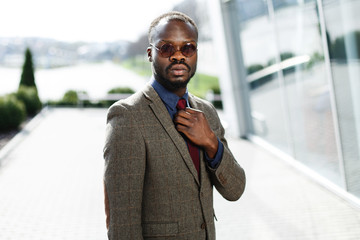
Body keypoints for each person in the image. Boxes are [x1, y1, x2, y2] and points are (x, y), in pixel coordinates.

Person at [103, 11, 246, 240]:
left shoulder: (207, 112)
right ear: (150, 54)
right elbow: (122, 225)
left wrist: (211, 142)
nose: (178, 56)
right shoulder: (127, 117)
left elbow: (235, 189)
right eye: (167, 48)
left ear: (196, 53)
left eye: (187, 48)